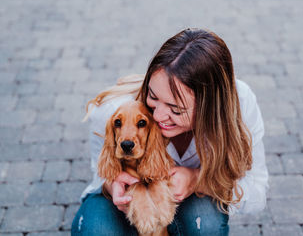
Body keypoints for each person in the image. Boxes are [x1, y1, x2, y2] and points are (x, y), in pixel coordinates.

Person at [71, 28, 269, 235]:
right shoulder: (113, 111)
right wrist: (113, 186)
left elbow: (256, 194)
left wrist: (197, 180)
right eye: (153, 97)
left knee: (205, 225)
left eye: (176, 109)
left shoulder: (240, 105)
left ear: (208, 109)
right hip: (123, 197)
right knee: (96, 230)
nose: (157, 116)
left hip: (194, 197)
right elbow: (100, 174)